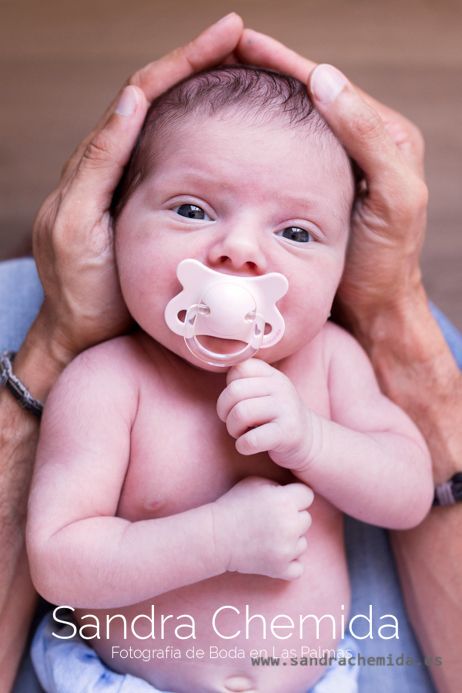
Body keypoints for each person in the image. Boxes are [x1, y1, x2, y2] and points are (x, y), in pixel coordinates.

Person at [0, 13, 460, 693]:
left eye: (297, 231)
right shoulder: (106, 381)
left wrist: (313, 439)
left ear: (342, 269)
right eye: (192, 210)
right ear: (113, 224)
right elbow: (60, 561)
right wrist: (218, 537)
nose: (239, 249)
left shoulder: (330, 361)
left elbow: (406, 492)